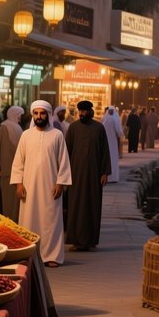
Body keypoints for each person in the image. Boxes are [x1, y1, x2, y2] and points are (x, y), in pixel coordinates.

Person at [10, 100, 72, 267]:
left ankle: (51, 256)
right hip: (29, 187)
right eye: (36, 113)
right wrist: (18, 184)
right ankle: (28, 254)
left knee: (51, 221)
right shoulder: (26, 135)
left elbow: (64, 162)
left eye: (42, 113)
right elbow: (18, 162)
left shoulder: (57, 135)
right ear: (32, 115)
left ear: (48, 115)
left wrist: (61, 183)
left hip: (50, 187)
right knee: (28, 220)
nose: (39, 116)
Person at [65, 100, 111, 251]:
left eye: (85, 111)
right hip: (76, 175)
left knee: (92, 205)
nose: (82, 114)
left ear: (90, 112)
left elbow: (105, 151)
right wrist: (64, 173)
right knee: (75, 206)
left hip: (94, 175)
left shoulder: (99, 128)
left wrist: (104, 173)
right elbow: (66, 152)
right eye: (80, 111)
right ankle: (76, 240)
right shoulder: (73, 128)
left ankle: (91, 240)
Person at [0, 105, 24, 221]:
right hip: (20, 175)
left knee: (8, 206)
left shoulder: (4, 127)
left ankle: (8, 232)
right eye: (19, 116)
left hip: (7, 172)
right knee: (16, 208)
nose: (20, 118)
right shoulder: (19, 129)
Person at [101, 106, 122, 183]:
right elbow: (119, 132)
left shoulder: (104, 119)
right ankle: (113, 177)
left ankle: (107, 177)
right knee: (113, 158)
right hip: (113, 142)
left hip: (106, 141)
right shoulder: (114, 119)